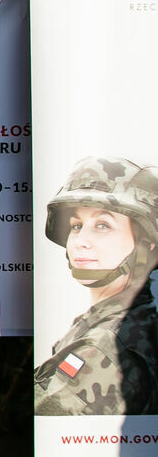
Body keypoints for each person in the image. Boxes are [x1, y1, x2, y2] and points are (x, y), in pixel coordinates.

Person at [35, 157, 158, 415]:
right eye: (76, 226)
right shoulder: (123, 320)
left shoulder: (107, 346)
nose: (81, 240)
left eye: (103, 225)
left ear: (147, 244)